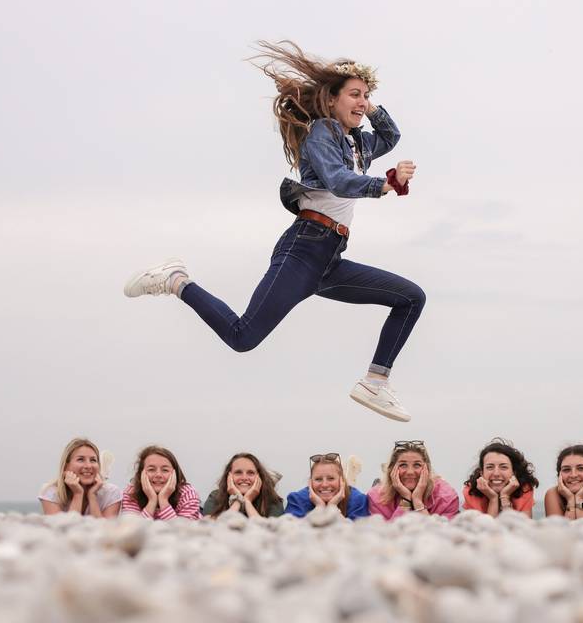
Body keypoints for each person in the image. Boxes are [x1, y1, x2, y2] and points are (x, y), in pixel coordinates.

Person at [123, 41, 424, 422]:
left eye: (366, 96)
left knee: (411, 297)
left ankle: (375, 382)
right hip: (304, 250)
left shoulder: (357, 142)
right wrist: (384, 183)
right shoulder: (322, 133)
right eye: (354, 95)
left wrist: (369, 101)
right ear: (330, 100)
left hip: (330, 260)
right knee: (243, 337)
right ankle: (176, 280)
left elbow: (391, 135)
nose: (362, 102)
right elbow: (337, 180)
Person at [367, 441, 459, 520]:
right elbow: (388, 536)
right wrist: (406, 500)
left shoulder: (445, 497)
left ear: (427, 469)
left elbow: (441, 537)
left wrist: (418, 501)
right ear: (391, 469)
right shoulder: (376, 497)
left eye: (417, 465)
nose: (410, 472)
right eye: (403, 465)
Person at [38, 437, 121, 518]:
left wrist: (92, 496)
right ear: (66, 466)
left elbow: (104, 530)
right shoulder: (51, 492)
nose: (88, 466)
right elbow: (65, 529)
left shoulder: (111, 493)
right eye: (80, 459)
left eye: (93, 460)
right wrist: (78, 494)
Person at [120, 445, 201, 520]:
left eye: (165, 470)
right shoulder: (131, 494)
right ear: (141, 473)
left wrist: (163, 500)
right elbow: (132, 532)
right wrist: (152, 501)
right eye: (151, 469)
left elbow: (183, 533)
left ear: (175, 474)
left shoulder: (187, 494)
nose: (158, 475)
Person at [462, 438, 539, 517]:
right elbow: (486, 529)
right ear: (481, 473)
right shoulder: (471, 492)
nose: (496, 473)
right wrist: (493, 499)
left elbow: (520, 528)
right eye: (490, 467)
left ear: (513, 472)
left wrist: (505, 497)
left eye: (503, 467)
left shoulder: (524, 489)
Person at [285, 453, 369, 520]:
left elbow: (358, 535)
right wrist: (319, 508)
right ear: (310, 482)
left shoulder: (357, 500)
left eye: (331, 478)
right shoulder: (297, 500)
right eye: (318, 479)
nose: (324, 484)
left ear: (342, 480)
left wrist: (332, 508)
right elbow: (290, 534)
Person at [204, 452, 284, 519]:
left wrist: (248, 501)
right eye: (238, 472)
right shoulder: (215, 496)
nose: (244, 478)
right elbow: (212, 529)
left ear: (259, 477)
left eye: (250, 473)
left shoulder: (273, 500)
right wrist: (237, 500)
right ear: (228, 476)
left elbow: (269, 533)